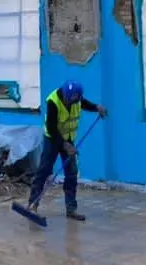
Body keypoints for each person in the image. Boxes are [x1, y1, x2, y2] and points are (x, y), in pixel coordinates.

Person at [27, 80, 107, 222]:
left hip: (68, 139)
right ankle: (32, 205)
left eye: (74, 101)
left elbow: (85, 103)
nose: (70, 103)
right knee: (44, 170)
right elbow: (51, 127)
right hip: (52, 139)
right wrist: (65, 145)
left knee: (71, 173)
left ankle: (71, 209)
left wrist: (97, 107)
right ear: (64, 94)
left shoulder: (76, 98)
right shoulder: (53, 102)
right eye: (68, 100)